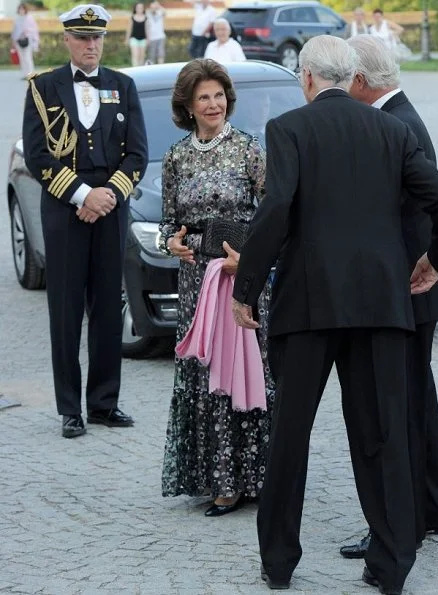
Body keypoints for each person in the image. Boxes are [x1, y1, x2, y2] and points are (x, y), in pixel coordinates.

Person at [232, 35, 438, 594]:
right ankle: (391, 565)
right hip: (381, 304)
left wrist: (246, 287)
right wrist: (436, 258)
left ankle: (280, 561)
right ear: (348, 76)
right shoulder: (393, 130)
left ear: (307, 78)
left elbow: (277, 210)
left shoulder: (289, 129)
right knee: (382, 433)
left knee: (291, 433)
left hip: (310, 302)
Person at [338, 33, 438, 561]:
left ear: (361, 82)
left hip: (406, 289)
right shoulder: (400, 115)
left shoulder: (391, 124)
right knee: (416, 403)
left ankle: (400, 523)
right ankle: (435, 508)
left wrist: (436, 259)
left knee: (398, 413)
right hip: (413, 289)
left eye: (345, 79)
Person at [22, 4, 148, 439]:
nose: (91, 45)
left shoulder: (123, 85)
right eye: (82, 37)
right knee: (66, 309)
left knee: (109, 310)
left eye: (97, 38)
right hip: (65, 210)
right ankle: (69, 409)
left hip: (110, 209)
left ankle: (103, 404)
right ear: (67, 41)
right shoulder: (43, 87)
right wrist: (82, 194)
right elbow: (38, 156)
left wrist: (106, 195)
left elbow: (138, 155)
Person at [157, 59, 275, 517]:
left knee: (246, 369)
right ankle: (219, 480)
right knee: (207, 373)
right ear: (188, 105)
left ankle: (260, 476)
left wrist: (250, 262)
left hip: (240, 275)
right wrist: (172, 244)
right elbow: (168, 222)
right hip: (195, 281)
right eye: (203, 97)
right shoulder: (176, 157)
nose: (213, 104)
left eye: (219, 95)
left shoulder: (249, 150)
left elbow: (271, 215)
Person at [11, 3, 39, 79]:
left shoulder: (29, 18)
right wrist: (13, 41)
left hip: (27, 40)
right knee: (22, 58)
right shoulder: (17, 19)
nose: (21, 10)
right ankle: (25, 74)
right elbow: (14, 31)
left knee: (27, 58)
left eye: (23, 9)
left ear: (25, 9)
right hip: (18, 41)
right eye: (20, 9)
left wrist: (27, 31)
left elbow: (34, 29)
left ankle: (31, 74)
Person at [126, 2, 148, 67]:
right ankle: (135, 68)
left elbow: (147, 30)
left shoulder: (146, 18)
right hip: (134, 39)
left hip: (143, 39)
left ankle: (140, 69)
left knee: (142, 56)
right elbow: (129, 29)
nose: (140, 9)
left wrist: (148, 39)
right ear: (135, 9)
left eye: (141, 7)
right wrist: (127, 39)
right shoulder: (132, 18)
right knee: (135, 55)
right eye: (138, 7)